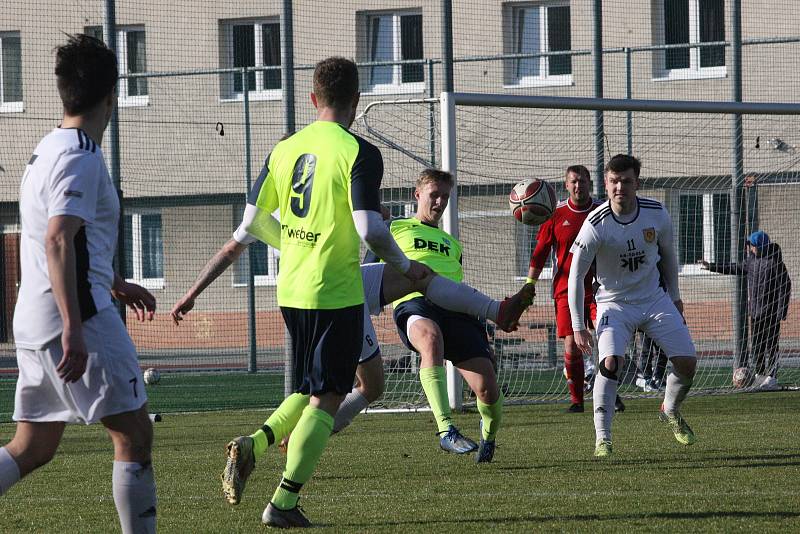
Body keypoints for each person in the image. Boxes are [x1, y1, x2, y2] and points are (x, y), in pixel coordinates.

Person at [193, 56, 426, 528]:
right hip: (333, 289)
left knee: (311, 386)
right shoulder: (358, 151)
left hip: (291, 287)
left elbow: (253, 222)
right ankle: (283, 503)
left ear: (313, 99)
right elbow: (368, 226)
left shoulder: (285, 149)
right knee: (329, 395)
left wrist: (298, 243)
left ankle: (255, 444)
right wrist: (404, 265)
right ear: (357, 102)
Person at [0, 35, 158, 533]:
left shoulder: (46, 147)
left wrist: (112, 279)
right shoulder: (82, 155)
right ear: (110, 95)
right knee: (134, 432)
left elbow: (68, 237)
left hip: (35, 313)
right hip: (74, 317)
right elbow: (58, 240)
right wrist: (75, 327)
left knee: (33, 447)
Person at [388, 168, 524, 463]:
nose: (439, 202)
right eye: (433, 195)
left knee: (487, 388)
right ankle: (446, 430)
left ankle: (488, 434)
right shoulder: (395, 228)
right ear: (417, 195)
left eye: (444, 197)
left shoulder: (453, 244)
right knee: (430, 338)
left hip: (456, 310)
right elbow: (369, 269)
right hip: (414, 303)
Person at [568, 154, 698, 458]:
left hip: (654, 299)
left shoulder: (656, 213)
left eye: (626, 181)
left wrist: (676, 297)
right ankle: (603, 438)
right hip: (614, 304)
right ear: (606, 183)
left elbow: (668, 256)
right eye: (614, 181)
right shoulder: (595, 224)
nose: (619, 187)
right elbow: (576, 275)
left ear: (636, 183)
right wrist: (577, 325)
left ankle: (670, 409)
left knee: (687, 363)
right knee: (610, 364)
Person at [527, 165, 624, 413]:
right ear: (566, 185)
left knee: (608, 341)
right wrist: (530, 285)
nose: (578, 186)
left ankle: (610, 394)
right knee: (571, 345)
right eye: (573, 182)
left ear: (590, 183)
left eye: (582, 181)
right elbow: (539, 255)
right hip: (565, 290)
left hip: (601, 289)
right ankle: (577, 400)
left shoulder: (603, 210)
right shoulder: (555, 213)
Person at [700, 230, 791, 390]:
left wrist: (781, 311)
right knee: (757, 347)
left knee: (771, 346)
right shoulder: (751, 261)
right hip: (755, 312)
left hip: (771, 313)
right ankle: (761, 374)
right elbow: (734, 268)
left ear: (760, 246)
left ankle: (772, 377)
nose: (749, 248)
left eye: (751, 245)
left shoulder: (775, 263)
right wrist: (711, 266)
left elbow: (786, 286)